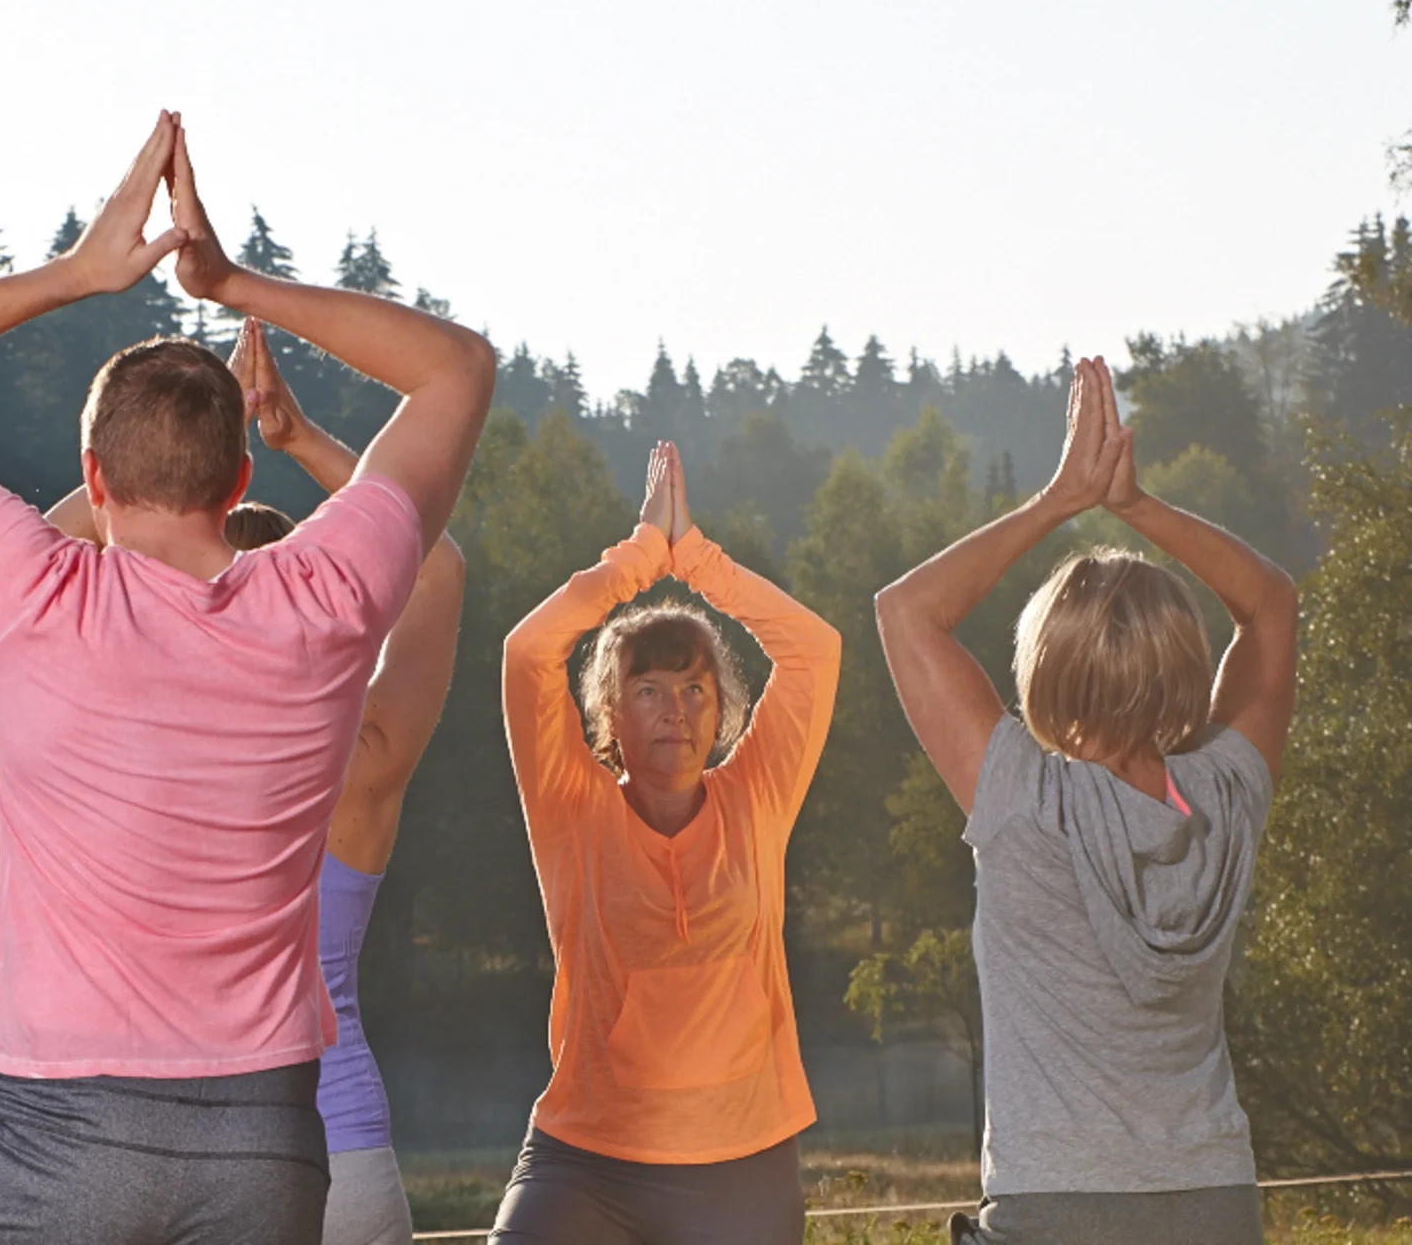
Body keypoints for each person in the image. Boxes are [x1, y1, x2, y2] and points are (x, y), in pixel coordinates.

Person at [0, 111, 494, 1243]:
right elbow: (457, 367)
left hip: (57, 1135)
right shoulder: (325, 598)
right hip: (271, 1140)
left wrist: (75, 277)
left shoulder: (33, 592)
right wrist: (232, 280)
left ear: (92, 478)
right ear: (240, 474)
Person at [48, 316, 464, 1245]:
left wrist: (125, 473)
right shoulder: (369, 753)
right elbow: (436, 565)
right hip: (345, 1155)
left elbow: (38, 564)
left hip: (182, 1160)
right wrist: (292, 438)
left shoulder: (151, 748)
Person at [873, 358, 1298, 1245]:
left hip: (1055, 1206)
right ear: (1182, 664)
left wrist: (1061, 499)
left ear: (1047, 667)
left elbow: (906, 611)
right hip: (1215, 1202)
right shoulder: (1223, 799)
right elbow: (1271, 607)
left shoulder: (1024, 801)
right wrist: (1137, 504)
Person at [490, 441, 842, 1245]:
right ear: (610, 715)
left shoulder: (758, 796)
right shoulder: (572, 807)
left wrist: (702, 562)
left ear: (722, 711)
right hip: (589, 1158)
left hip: (743, 1162)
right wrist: (644, 556)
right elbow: (527, 653)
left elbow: (815, 651)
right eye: (648, 691)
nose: (675, 711)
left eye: (694, 689)